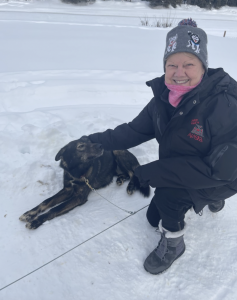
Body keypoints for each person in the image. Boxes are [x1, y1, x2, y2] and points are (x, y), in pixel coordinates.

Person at [79, 19, 237, 274]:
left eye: (189, 64)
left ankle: (174, 245)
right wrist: (91, 141)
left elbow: (220, 170)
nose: (179, 71)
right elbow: (132, 131)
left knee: (168, 199)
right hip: (184, 168)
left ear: (203, 67)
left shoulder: (224, 106)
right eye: (172, 64)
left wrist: (155, 172)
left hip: (224, 177)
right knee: (152, 218)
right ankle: (206, 202)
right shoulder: (163, 101)